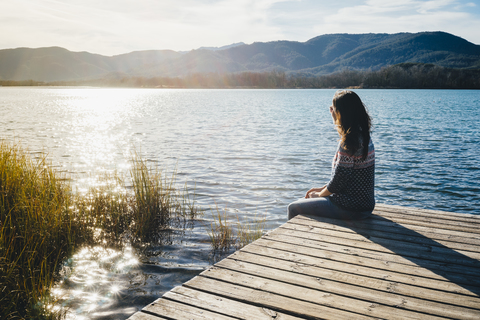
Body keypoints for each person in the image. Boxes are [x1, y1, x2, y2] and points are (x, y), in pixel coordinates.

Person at [287, 90, 375, 220]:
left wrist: (319, 195)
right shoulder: (364, 137)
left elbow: (337, 183)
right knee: (310, 200)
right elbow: (343, 178)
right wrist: (322, 189)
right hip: (366, 206)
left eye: (332, 109)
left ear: (341, 113)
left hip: (350, 208)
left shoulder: (349, 143)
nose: (331, 112)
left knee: (293, 208)